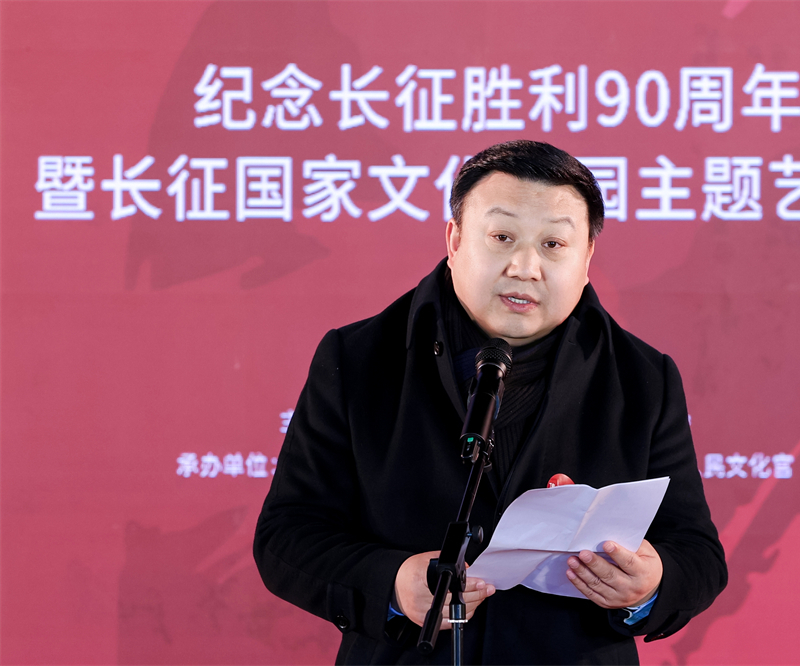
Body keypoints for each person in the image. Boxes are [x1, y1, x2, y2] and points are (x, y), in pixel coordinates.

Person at [254, 140, 727, 664]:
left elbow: (698, 555)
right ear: (455, 240)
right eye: (502, 237)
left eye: (553, 244)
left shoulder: (642, 378)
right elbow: (286, 536)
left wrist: (649, 584)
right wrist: (392, 582)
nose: (525, 267)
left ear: (587, 258)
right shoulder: (360, 359)